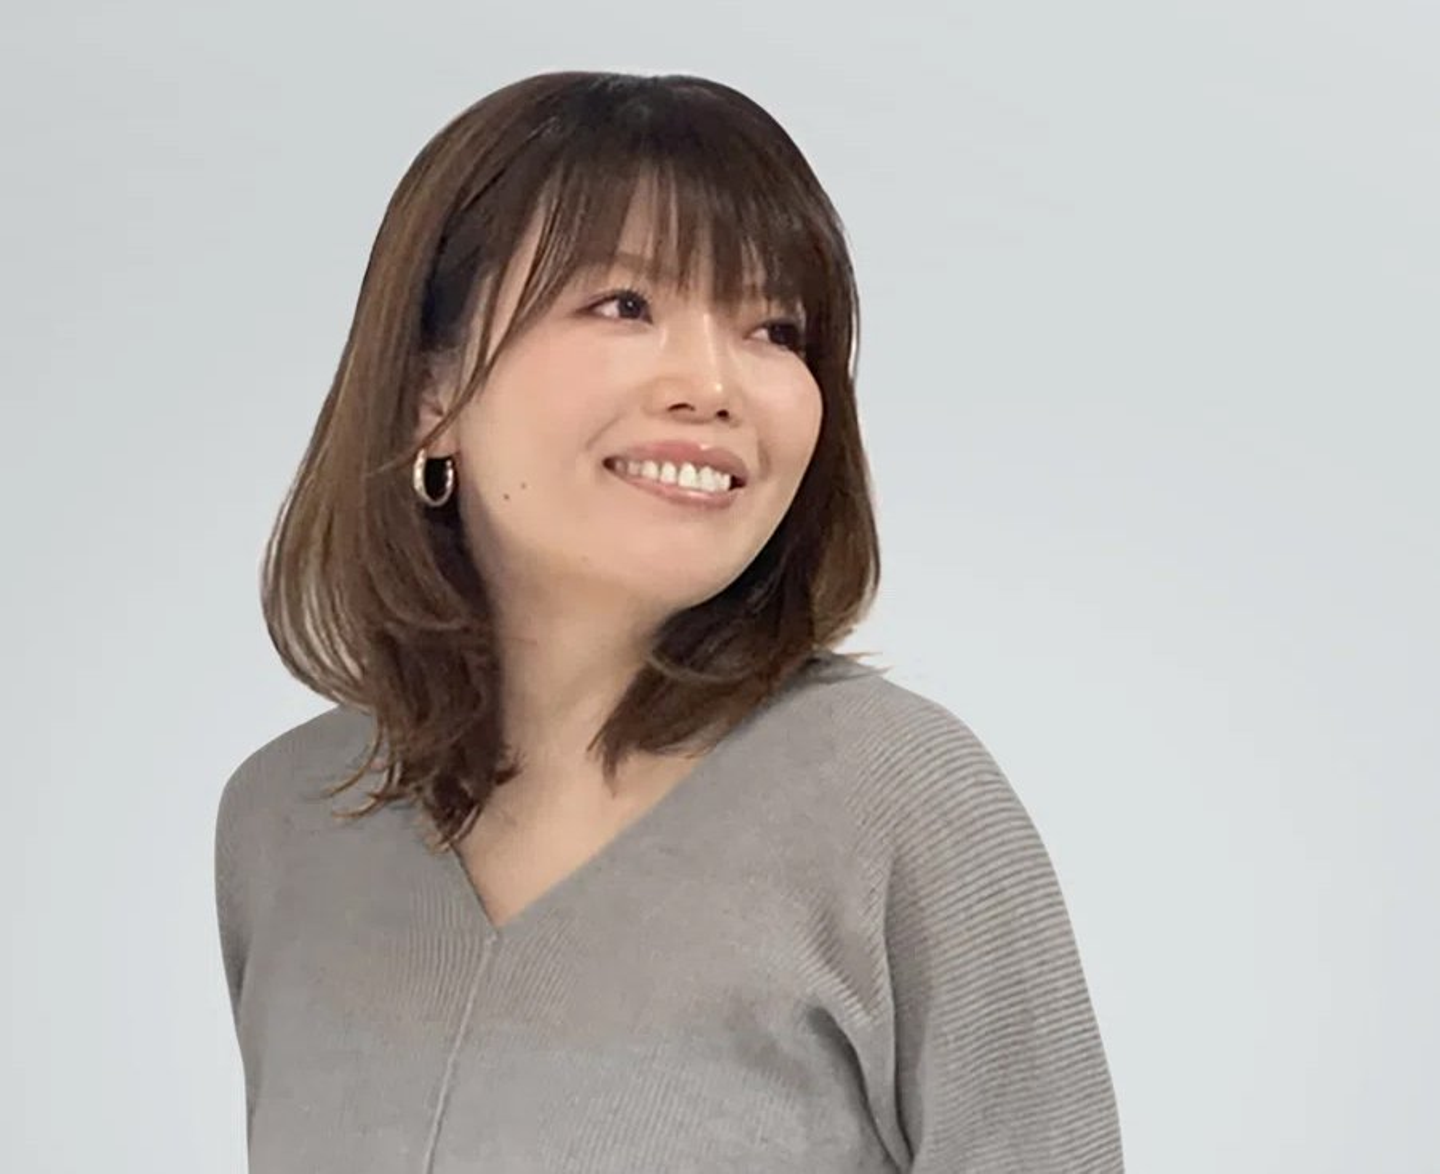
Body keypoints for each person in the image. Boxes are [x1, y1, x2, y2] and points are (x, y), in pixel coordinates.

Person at [214, 70, 1125, 1172]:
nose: (713, 383)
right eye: (625, 304)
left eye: (775, 327)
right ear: (430, 395)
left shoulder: (898, 801)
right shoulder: (288, 823)